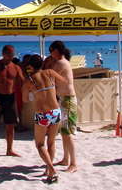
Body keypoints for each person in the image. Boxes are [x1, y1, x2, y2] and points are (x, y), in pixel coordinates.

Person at [22, 54, 66, 184]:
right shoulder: (50, 72)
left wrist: (32, 94)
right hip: (55, 111)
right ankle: (48, 169)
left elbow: (24, 99)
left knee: (40, 144)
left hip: (42, 114)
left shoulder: (29, 80)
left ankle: (51, 169)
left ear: (30, 66)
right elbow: (63, 81)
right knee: (51, 143)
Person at [46, 40, 78, 172]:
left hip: (68, 100)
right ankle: (66, 159)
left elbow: (48, 76)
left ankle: (74, 163)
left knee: (68, 133)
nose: (50, 54)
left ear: (56, 50)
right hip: (64, 100)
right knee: (64, 132)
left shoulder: (60, 63)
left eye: (51, 51)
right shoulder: (62, 62)